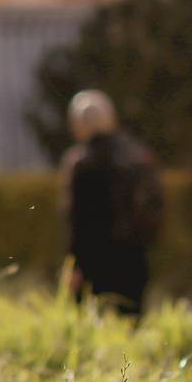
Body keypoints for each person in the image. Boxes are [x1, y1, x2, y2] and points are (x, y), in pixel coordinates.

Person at [60, 90, 164, 317]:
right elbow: (156, 206)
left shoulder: (80, 163)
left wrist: (73, 264)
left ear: (78, 125)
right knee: (133, 326)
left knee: (91, 329)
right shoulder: (138, 158)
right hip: (134, 258)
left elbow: (77, 219)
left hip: (92, 264)